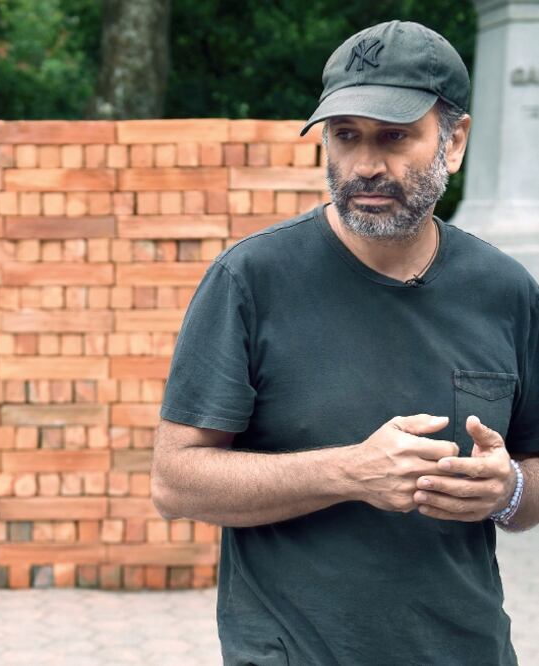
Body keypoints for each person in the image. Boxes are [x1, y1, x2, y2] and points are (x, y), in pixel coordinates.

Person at [151, 20, 539, 665]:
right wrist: (349, 472)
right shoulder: (250, 279)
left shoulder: (504, 289)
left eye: (394, 137)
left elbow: (532, 476)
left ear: (455, 141)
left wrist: (508, 494)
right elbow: (176, 481)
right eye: (345, 136)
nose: (365, 166)